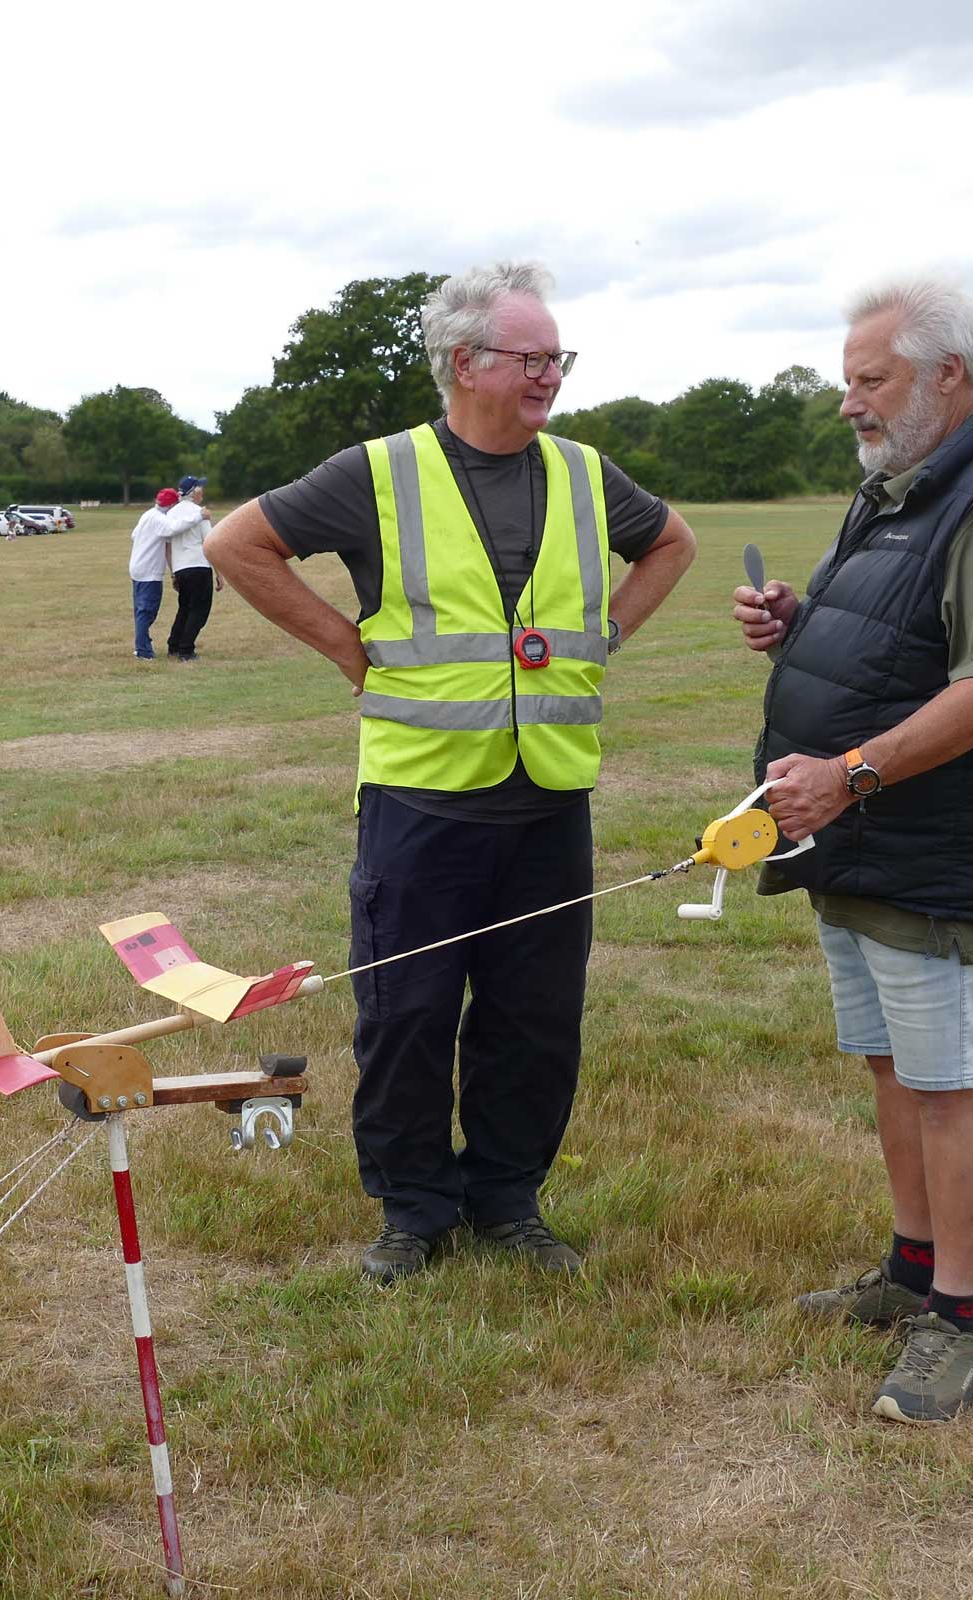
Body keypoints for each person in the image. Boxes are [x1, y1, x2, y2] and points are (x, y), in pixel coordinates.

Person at [207, 260, 697, 1284]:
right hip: (420, 800)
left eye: (559, 357)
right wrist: (347, 649)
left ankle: (509, 1200)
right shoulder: (378, 472)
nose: (551, 374)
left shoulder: (584, 473)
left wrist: (605, 633)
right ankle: (414, 1210)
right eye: (532, 357)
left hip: (550, 799)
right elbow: (239, 545)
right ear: (466, 363)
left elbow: (671, 544)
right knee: (406, 1014)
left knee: (536, 1019)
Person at [732, 275, 973, 1424]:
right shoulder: (898, 490)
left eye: (870, 379)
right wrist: (801, 629)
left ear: (950, 375)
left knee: (950, 1086)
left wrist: (847, 776)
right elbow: (909, 642)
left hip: (942, 851)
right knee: (894, 1068)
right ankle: (910, 1272)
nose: (850, 402)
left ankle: (961, 1325)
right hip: (867, 848)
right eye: (848, 381)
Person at [163, 475, 221, 661]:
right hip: (199, 565)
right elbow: (210, 543)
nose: (203, 491)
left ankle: (174, 645)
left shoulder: (171, 514)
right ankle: (186, 650)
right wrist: (219, 573)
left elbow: (169, 545)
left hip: (181, 568)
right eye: (200, 488)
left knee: (184, 608)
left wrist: (173, 573)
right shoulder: (200, 513)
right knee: (199, 610)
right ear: (194, 492)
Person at [127, 488, 178, 659]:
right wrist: (198, 517)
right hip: (150, 571)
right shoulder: (160, 519)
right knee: (147, 611)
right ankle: (143, 650)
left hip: (137, 567)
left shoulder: (147, 514)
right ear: (171, 505)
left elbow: (134, 535)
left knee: (140, 610)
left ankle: (142, 645)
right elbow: (173, 530)